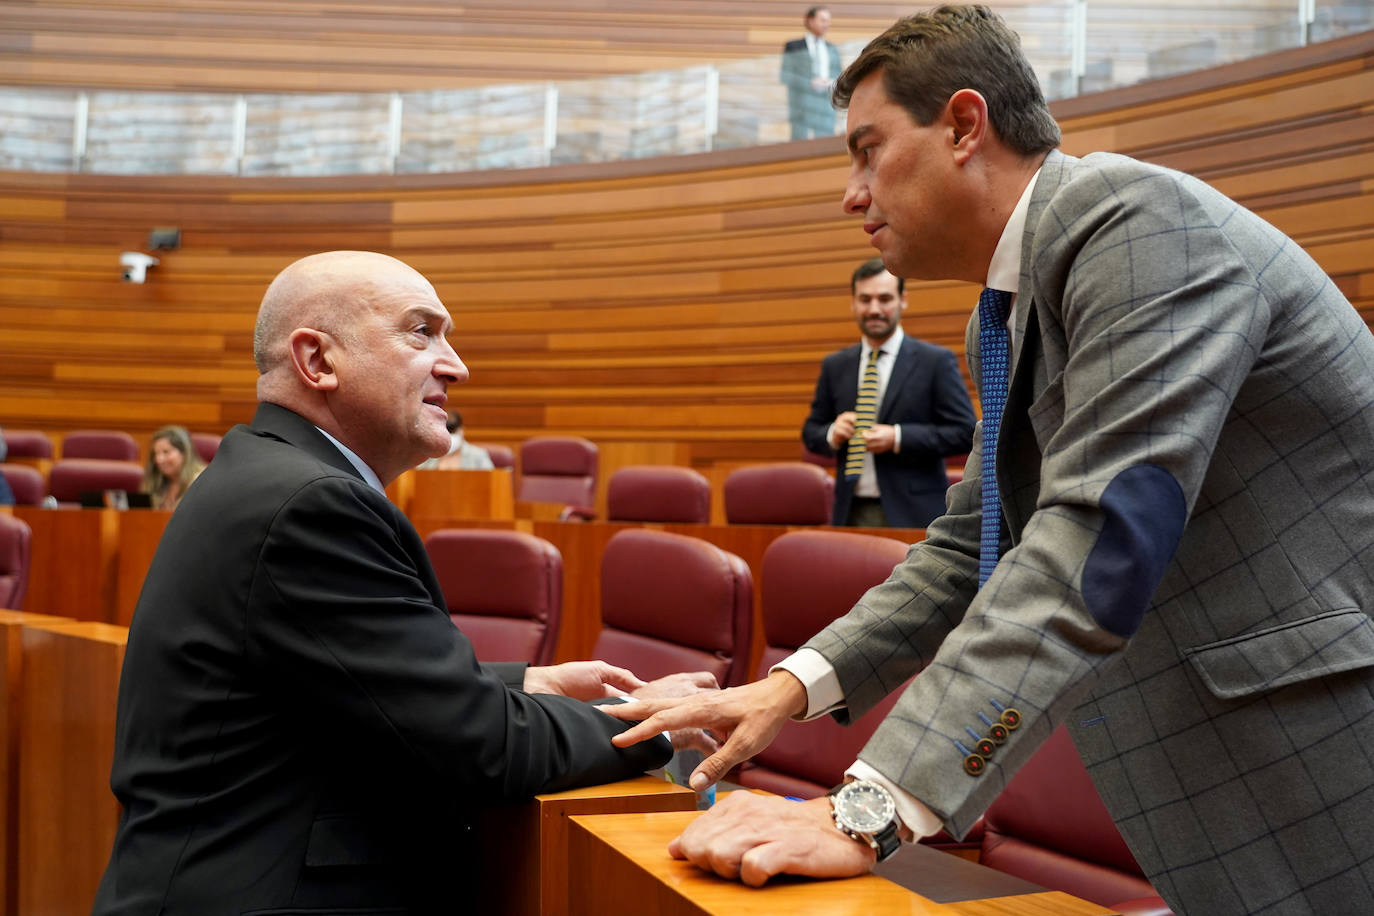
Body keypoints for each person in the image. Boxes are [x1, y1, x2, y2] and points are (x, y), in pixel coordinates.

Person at [608, 7, 1374, 914]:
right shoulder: (1000, 314)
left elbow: (1096, 530)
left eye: (867, 149)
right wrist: (789, 689)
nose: (851, 194)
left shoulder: (1142, 226)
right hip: (1219, 761)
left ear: (965, 127)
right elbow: (973, 543)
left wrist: (868, 811)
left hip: (1318, 746)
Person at [92, 251, 705, 916]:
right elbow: (478, 743)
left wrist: (530, 682)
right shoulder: (309, 504)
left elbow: (336, 681)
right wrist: (656, 726)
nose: (456, 364)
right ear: (318, 361)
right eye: (422, 332)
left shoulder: (260, 476)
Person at [802, 258, 975, 527]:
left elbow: (965, 432)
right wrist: (832, 433)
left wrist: (898, 437)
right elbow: (811, 432)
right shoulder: (835, 366)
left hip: (915, 514)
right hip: (849, 512)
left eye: (884, 298)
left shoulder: (935, 362)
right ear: (853, 302)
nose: (874, 309)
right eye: (865, 299)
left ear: (902, 300)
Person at [781, 6, 841, 140]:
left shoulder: (832, 49)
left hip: (826, 107)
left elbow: (839, 76)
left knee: (825, 147)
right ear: (810, 21)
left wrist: (830, 82)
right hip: (802, 107)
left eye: (828, 21)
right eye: (823, 20)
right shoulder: (794, 47)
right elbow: (785, 76)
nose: (827, 24)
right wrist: (809, 83)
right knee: (799, 146)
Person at [140, 424, 206, 510]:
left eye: (166, 452)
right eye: (155, 454)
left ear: (184, 452)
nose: (159, 459)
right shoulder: (155, 482)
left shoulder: (201, 481)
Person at [416, 408, 495, 470]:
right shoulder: (429, 456)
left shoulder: (478, 455)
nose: (450, 436)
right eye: (446, 431)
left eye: (453, 432)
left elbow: (491, 481)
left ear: (461, 431)